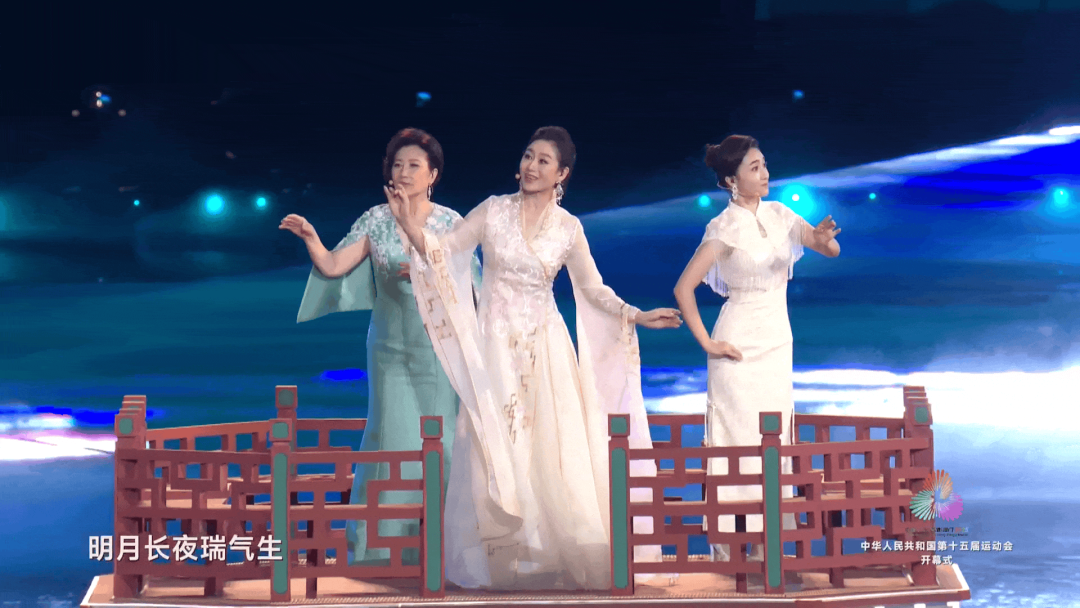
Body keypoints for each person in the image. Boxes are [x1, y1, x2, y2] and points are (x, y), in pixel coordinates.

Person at [388, 126, 682, 590]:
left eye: (544, 160)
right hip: (495, 351)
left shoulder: (568, 228)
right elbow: (444, 252)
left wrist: (636, 314)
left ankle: (547, 554)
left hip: (545, 351)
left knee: (550, 451)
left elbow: (592, 288)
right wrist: (409, 225)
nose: (531, 166)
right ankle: (502, 560)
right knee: (492, 447)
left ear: (561, 173)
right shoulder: (493, 210)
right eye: (528, 156)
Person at [280, 128, 480, 566]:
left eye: (414, 165)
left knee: (443, 439)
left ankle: (445, 546)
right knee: (392, 437)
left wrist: (431, 274)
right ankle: (382, 548)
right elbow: (335, 265)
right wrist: (312, 238)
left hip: (438, 349)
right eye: (397, 164)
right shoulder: (375, 219)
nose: (403, 172)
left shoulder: (450, 223)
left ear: (433, 175)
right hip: (388, 349)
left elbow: (472, 285)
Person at [673, 135, 840, 562]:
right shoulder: (723, 228)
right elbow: (683, 288)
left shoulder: (781, 214)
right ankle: (732, 554)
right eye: (754, 168)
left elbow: (830, 249)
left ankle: (770, 552)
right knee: (738, 446)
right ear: (732, 180)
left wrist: (822, 237)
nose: (765, 174)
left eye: (764, 164)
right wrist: (708, 342)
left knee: (775, 443)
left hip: (777, 343)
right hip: (738, 349)